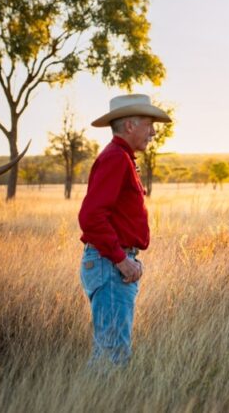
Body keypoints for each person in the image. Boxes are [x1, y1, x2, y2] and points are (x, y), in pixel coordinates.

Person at [78, 93, 171, 367]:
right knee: (111, 357)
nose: (153, 132)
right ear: (130, 125)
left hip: (111, 263)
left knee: (111, 352)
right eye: (149, 124)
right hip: (110, 265)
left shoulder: (121, 157)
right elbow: (90, 216)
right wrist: (120, 260)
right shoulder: (116, 158)